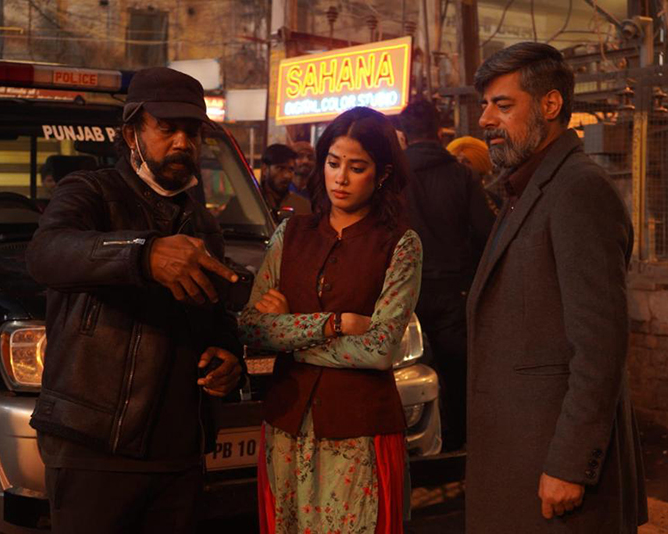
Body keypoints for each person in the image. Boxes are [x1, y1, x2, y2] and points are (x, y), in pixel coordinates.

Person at [26, 67, 244, 534]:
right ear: (131, 134)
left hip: (180, 455)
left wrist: (229, 357)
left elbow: (217, 316)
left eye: (192, 131)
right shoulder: (90, 192)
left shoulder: (203, 223)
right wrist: (143, 254)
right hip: (93, 449)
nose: (182, 143)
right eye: (167, 128)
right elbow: (46, 254)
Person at [466, 42, 648, 532]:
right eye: (485, 105)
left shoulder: (578, 189)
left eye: (503, 105)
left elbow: (600, 345)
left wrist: (570, 463)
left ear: (550, 105)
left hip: (553, 473)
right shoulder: (525, 187)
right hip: (520, 459)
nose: (485, 119)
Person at [239, 107, 422, 534]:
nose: (340, 178)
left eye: (356, 168)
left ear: (382, 174)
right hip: (286, 424)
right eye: (333, 163)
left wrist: (288, 335)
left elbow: (379, 350)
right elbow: (251, 326)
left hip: (359, 430)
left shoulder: (400, 245)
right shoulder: (290, 233)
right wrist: (332, 324)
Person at [398, 99, 495, 452]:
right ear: (440, 133)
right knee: (456, 372)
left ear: (404, 136)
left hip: (405, 293)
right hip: (454, 291)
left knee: (405, 371)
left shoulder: (393, 178)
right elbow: (485, 231)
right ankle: (457, 445)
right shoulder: (461, 176)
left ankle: (409, 440)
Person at [446, 136, 502, 215]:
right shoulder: (441, 199)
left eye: (467, 161)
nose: (460, 166)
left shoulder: (494, 202)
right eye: (456, 161)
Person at [260, 143, 312, 220]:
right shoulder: (253, 200)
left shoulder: (303, 207)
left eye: (291, 169)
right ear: (265, 169)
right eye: (280, 168)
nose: (287, 175)